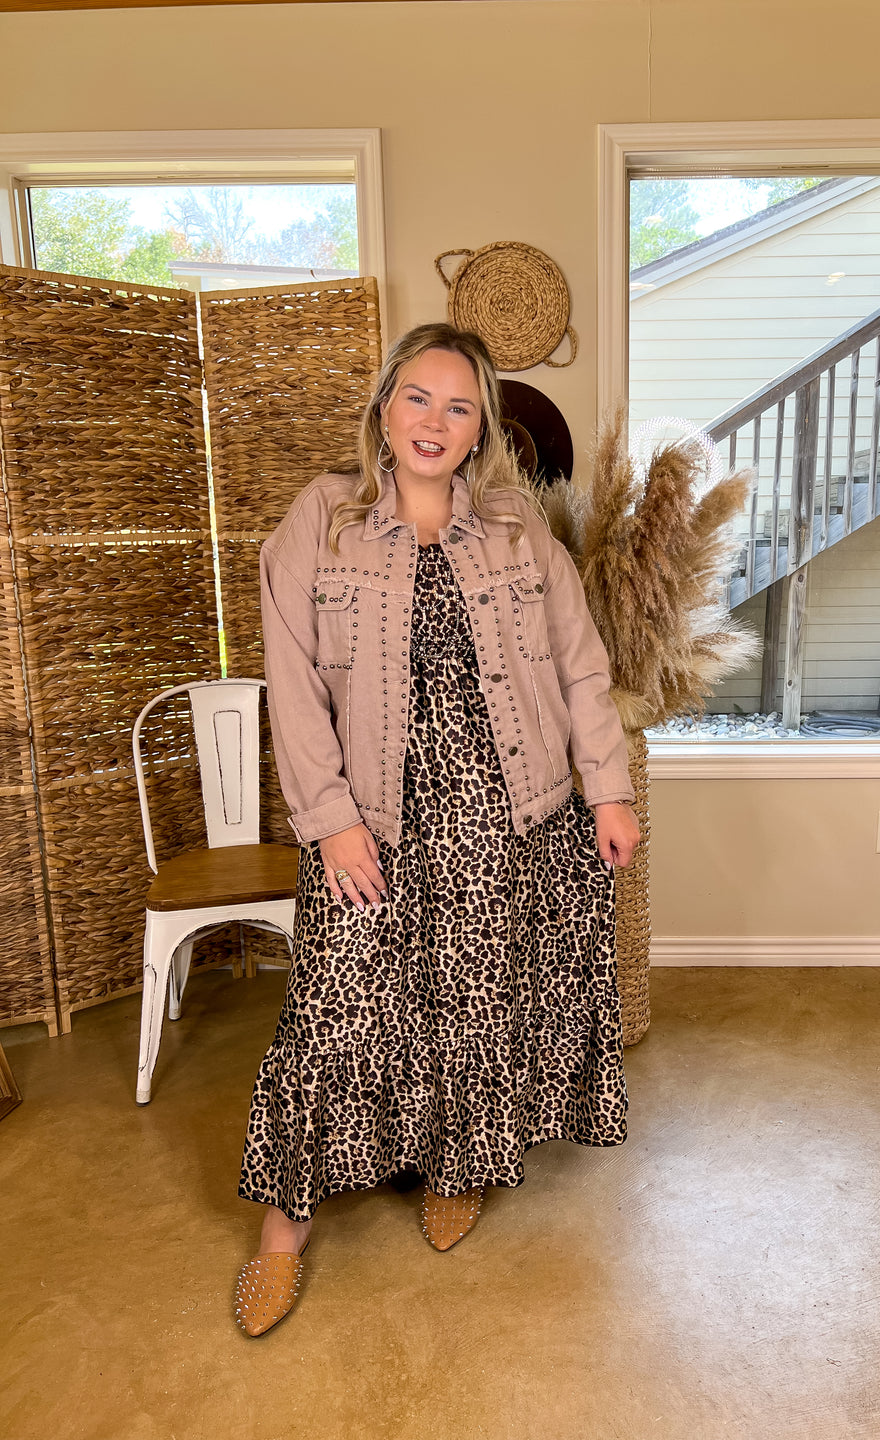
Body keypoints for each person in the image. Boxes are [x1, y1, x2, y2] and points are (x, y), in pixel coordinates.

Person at [234, 322, 640, 1337]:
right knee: (334, 1007)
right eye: (419, 397)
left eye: (459, 407)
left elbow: (578, 662)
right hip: (369, 811)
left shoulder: (514, 528)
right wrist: (329, 822)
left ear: (480, 430)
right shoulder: (321, 521)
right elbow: (290, 686)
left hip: (506, 806)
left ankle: (453, 1165)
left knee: (474, 997)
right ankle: (284, 1226)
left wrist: (611, 789)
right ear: (384, 404)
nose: (434, 422)